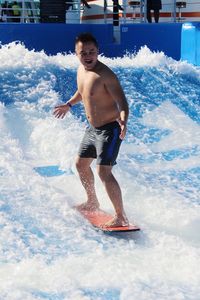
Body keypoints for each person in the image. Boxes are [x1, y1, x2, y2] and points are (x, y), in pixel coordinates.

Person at [53, 33, 129, 227]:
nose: (88, 55)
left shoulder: (106, 74)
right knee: (80, 164)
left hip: (110, 129)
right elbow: (83, 91)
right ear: (76, 54)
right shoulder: (81, 70)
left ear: (98, 52)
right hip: (92, 129)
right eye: (83, 52)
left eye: (92, 52)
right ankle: (92, 201)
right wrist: (69, 105)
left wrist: (123, 121)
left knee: (104, 172)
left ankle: (121, 216)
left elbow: (122, 101)